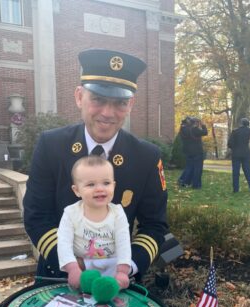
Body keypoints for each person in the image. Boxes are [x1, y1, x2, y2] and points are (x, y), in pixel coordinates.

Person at [24, 49, 169, 282]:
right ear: (79, 96)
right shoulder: (51, 145)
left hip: (118, 283)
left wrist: (128, 267)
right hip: (59, 276)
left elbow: (154, 225)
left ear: (131, 104)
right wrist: (71, 265)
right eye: (98, 99)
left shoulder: (147, 156)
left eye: (120, 103)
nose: (108, 113)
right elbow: (36, 215)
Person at [57, 155, 131, 289]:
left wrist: (122, 271)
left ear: (114, 186)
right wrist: (72, 269)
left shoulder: (117, 213)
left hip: (112, 270)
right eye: (91, 184)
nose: (100, 189)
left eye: (106, 183)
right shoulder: (71, 213)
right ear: (76, 190)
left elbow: (124, 244)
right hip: (81, 272)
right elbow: (63, 244)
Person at [227, 118, 250, 195]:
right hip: (246, 153)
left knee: (236, 172)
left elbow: (229, 144)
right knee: (248, 172)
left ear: (241, 123)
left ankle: (236, 189)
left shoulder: (235, 131)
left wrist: (234, 148)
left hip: (236, 154)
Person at [178, 117, 208, 189]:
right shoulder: (194, 129)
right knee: (198, 169)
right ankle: (196, 185)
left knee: (189, 167)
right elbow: (205, 132)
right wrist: (203, 125)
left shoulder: (183, 129)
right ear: (195, 123)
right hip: (197, 152)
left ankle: (184, 182)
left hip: (187, 151)